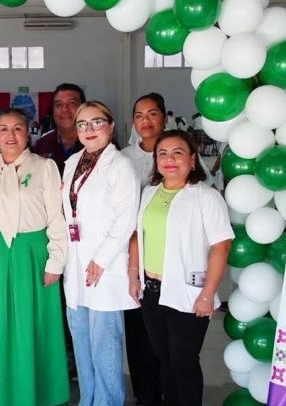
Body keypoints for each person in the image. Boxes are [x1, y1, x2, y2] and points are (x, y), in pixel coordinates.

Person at [129, 130, 234, 406]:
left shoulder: (206, 197)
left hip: (189, 293)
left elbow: (222, 246)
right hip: (152, 291)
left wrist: (208, 294)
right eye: (162, 154)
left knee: (184, 362)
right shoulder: (149, 192)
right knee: (163, 359)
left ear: (192, 159)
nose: (169, 159)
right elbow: (138, 236)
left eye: (177, 153)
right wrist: (133, 276)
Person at [0, 109, 70, 406]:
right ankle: (6, 394)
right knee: (0, 322)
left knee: (37, 323)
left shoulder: (45, 167)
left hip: (34, 253)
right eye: (3, 129)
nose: (11, 135)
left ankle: (43, 392)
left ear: (28, 133)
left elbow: (57, 217)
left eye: (17, 128)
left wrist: (55, 262)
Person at [62, 101, 140, 406]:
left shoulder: (120, 165)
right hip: (76, 263)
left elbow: (126, 218)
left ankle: (107, 401)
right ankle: (88, 399)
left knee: (104, 344)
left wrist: (102, 258)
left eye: (97, 122)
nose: (89, 129)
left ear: (111, 126)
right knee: (81, 341)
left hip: (105, 267)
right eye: (82, 124)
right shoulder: (72, 162)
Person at [121, 93, 168, 406]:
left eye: (152, 114)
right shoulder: (124, 158)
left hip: (169, 257)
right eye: (139, 115)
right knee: (138, 332)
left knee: (168, 332)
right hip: (133, 257)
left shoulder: (177, 151)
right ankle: (145, 394)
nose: (145, 121)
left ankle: (168, 390)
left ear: (164, 117)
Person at [34, 83, 86, 175]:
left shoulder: (96, 141)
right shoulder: (42, 144)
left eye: (72, 103)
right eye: (59, 104)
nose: (65, 109)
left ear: (83, 108)